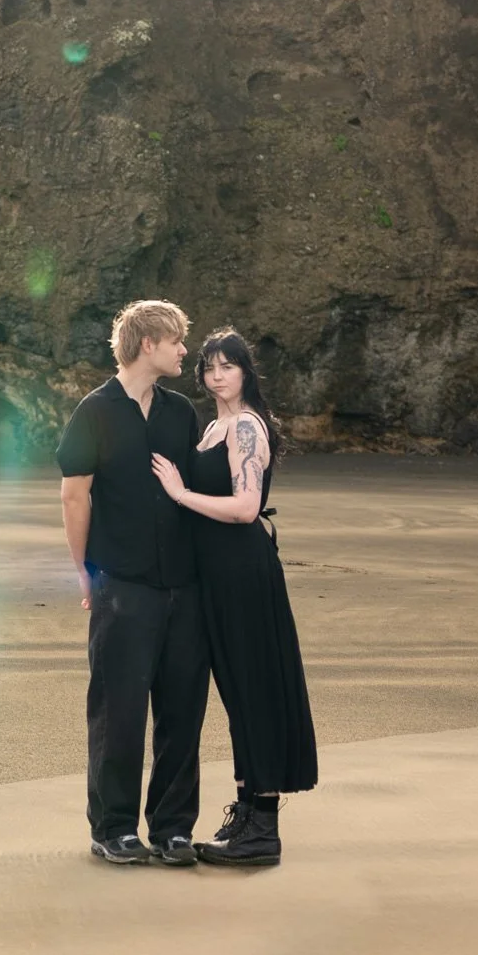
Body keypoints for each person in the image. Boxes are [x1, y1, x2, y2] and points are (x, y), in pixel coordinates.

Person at [151, 327, 317, 867]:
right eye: (209, 367)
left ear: (246, 372)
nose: (218, 375)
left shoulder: (245, 427)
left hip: (242, 573)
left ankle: (262, 828)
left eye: (229, 366)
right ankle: (246, 813)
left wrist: (179, 493)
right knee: (238, 694)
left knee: (254, 689)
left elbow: (246, 508)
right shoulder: (213, 428)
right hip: (216, 577)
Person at [57, 298, 209, 867]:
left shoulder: (180, 414)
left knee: (182, 709)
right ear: (149, 343)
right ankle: (113, 827)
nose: (183, 351)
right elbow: (75, 496)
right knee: (117, 709)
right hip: (122, 584)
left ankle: (172, 827)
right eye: (176, 341)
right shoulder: (95, 411)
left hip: (184, 587)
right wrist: (85, 572)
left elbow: (194, 492)